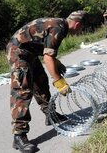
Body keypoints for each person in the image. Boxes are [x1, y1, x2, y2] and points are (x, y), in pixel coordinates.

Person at [6, 10, 87, 153]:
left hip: (29, 52)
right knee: (23, 91)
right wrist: (59, 82)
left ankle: (51, 115)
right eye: (82, 28)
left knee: (41, 82)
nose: (80, 30)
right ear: (78, 24)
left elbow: (48, 52)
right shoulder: (59, 28)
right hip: (18, 52)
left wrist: (57, 63)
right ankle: (19, 136)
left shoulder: (60, 24)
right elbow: (47, 58)